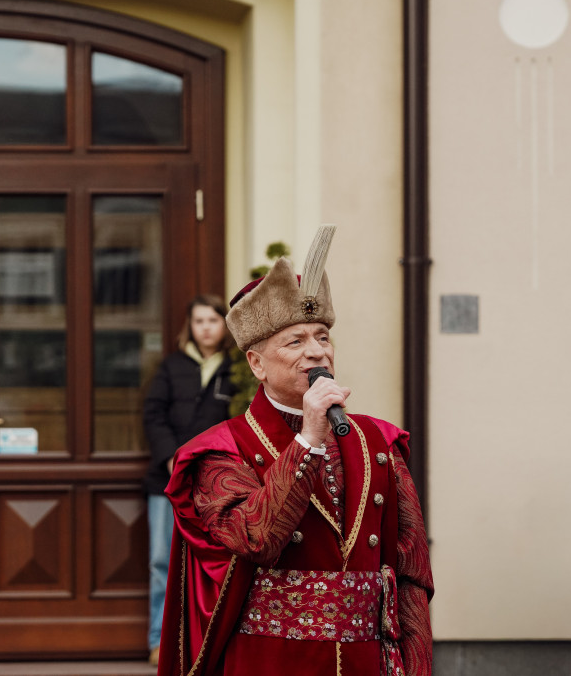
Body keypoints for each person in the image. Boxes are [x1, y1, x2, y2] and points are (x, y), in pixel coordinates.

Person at [158, 225, 433, 676]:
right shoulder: (219, 452)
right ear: (256, 363)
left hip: (370, 663)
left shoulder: (380, 442)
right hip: (269, 662)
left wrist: (417, 668)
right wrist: (308, 438)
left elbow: (412, 572)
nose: (316, 353)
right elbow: (257, 538)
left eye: (322, 337)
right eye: (295, 341)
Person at [143, 294, 237, 666]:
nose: (206, 328)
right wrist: (170, 456)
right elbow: (154, 414)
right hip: (167, 481)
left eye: (213, 321)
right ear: (190, 326)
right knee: (161, 560)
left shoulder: (237, 368)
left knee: (215, 561)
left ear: (224, 326)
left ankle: (208, 641)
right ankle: (158, 640)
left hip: (217, 483)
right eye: (199, 321)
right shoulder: (172, 367)